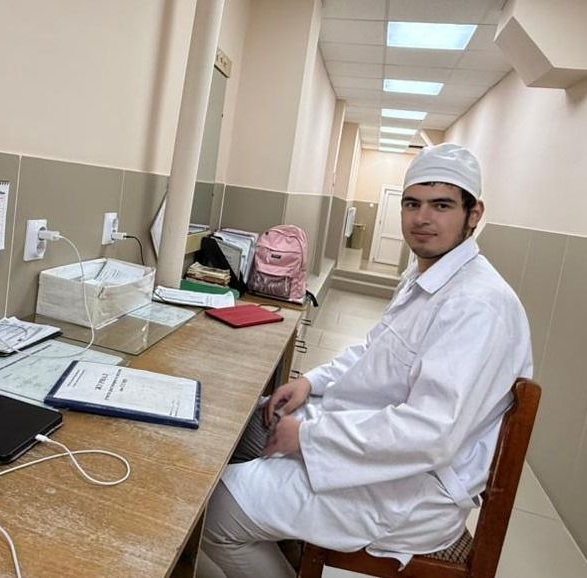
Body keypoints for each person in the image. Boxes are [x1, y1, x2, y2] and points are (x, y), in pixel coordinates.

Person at [198, 144, 534, 578]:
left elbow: (429, 434)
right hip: (372, 444)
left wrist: (310, 439)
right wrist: (311, 383)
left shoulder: (478, 305)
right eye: (412, 204)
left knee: (213, 508)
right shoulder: (425, 277)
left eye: (442, 205)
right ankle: (278, 531)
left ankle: (258, 527)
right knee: (252, 423)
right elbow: (375, 350)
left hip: (410, 489)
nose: (422, 218)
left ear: (474, 214)